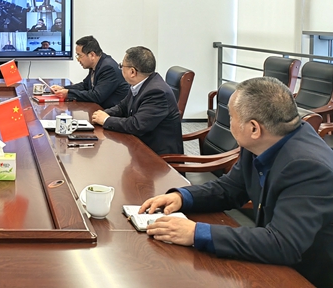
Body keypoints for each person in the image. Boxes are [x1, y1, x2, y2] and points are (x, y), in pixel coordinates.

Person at [140, 77, 333, 287]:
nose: (226, 122)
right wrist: (183, 197)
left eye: (231, 117)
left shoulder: (308, 167)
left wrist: (196, 233)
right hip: (275, 262)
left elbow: (282, 243)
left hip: (307, 276)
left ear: (254, 128)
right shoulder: (265, 141)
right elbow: (230, 188)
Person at [91, 46, 182, 155]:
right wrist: (103, 114)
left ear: (132, 72)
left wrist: (106, 120)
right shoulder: (141, 83)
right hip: (140, 146)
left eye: (122, 66)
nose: (121, 69)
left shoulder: (157, 92)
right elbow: (122, 107)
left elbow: (137, 125)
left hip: (157, 157)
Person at [51, 36, 129, 109]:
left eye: (79, 56)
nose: (78, 60)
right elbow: (85, 85)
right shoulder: (97, 64)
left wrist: (68, 93)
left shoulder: (108, 68)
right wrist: (63, 88)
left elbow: (97, 96)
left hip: (113, 113)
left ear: (92, 55)